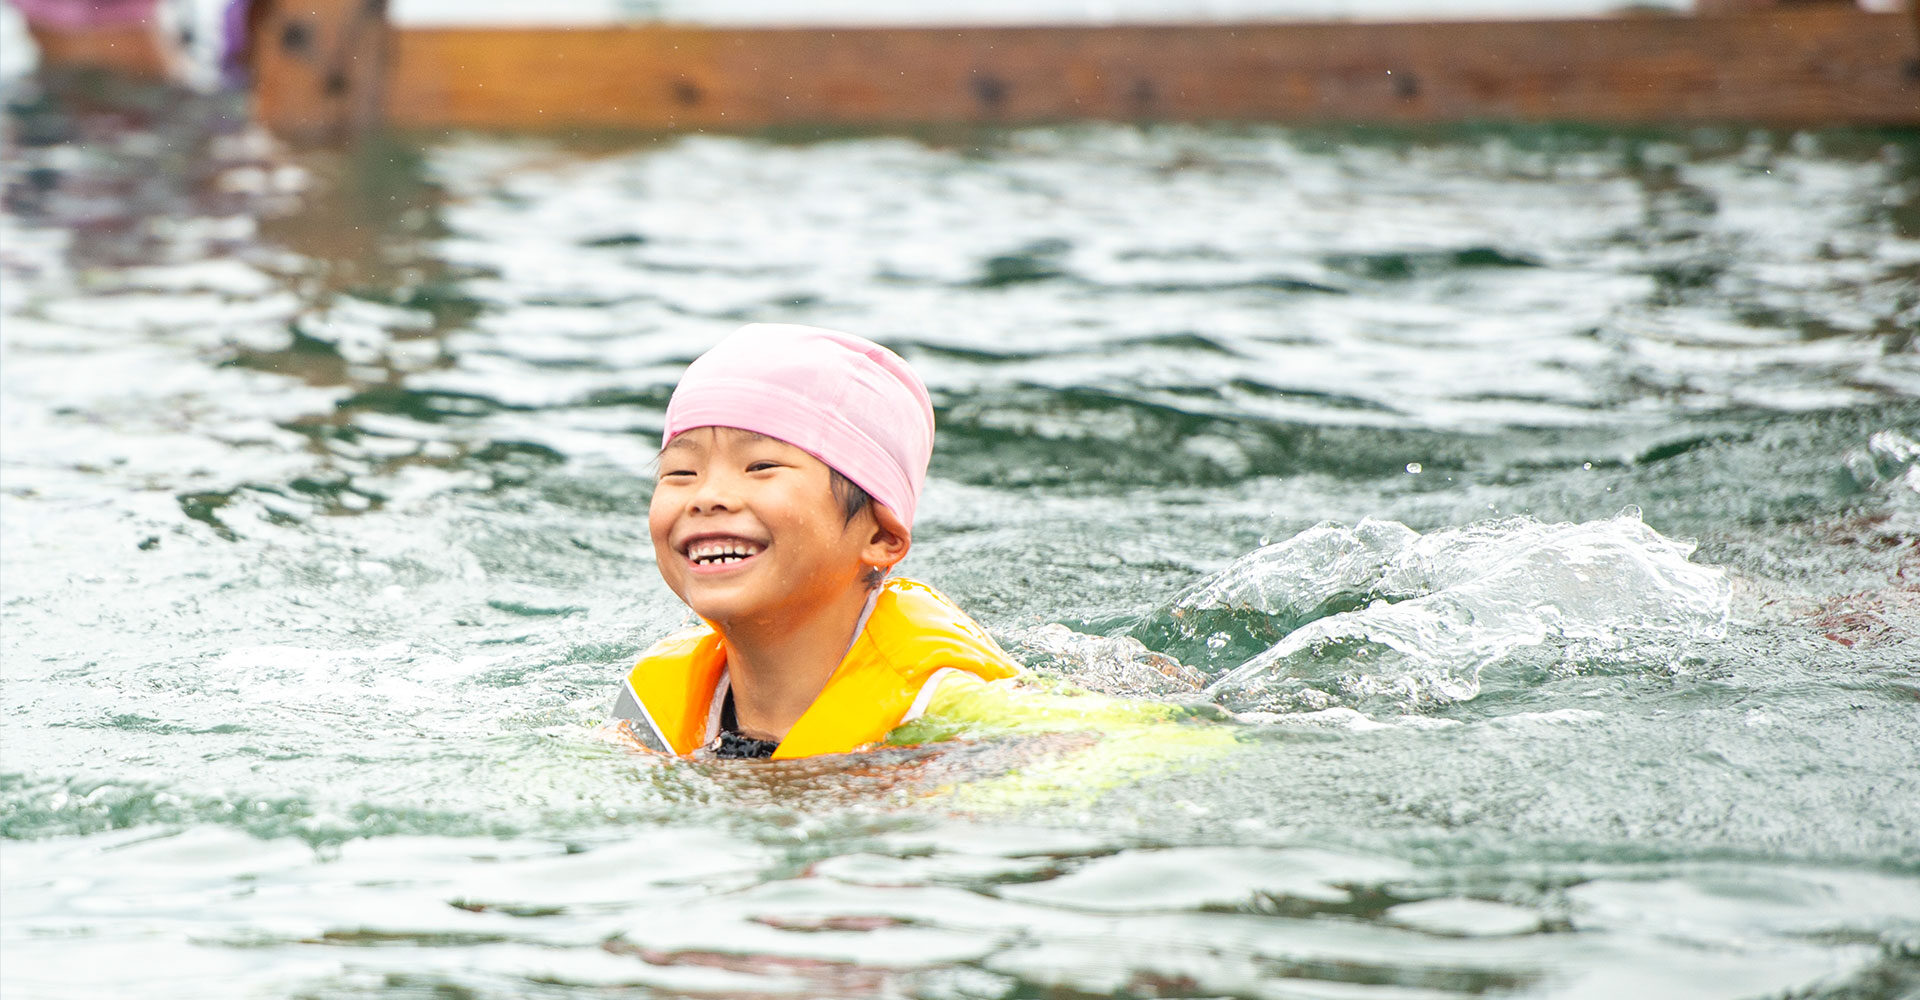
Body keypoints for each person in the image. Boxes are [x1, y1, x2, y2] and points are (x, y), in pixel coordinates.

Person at [609, 323, 1023, 760]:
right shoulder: (655, 701)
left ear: (881, 536)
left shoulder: (953, 710)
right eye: (681, 473)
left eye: (761, 466)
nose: (707, 497)